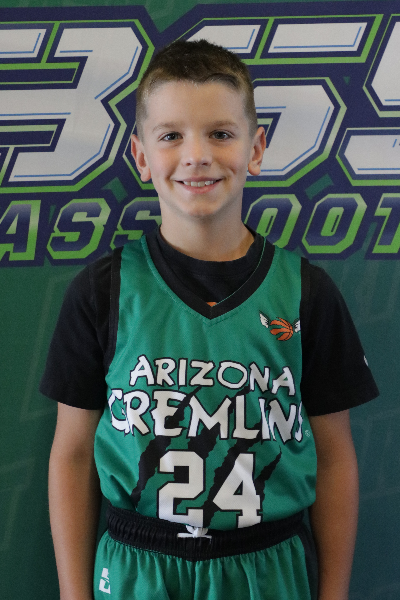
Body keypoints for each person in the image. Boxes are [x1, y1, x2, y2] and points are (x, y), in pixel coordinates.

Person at [42, 40, 379, 600]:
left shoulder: (306, 294)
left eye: (220, 133)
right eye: (171, 135)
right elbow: (73, 454)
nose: (196, 155)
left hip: (267, 569)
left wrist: (334, 592)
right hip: (137, 570)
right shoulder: (103, 292)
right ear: (141, 156)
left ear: (256, 148)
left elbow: (335, 457)